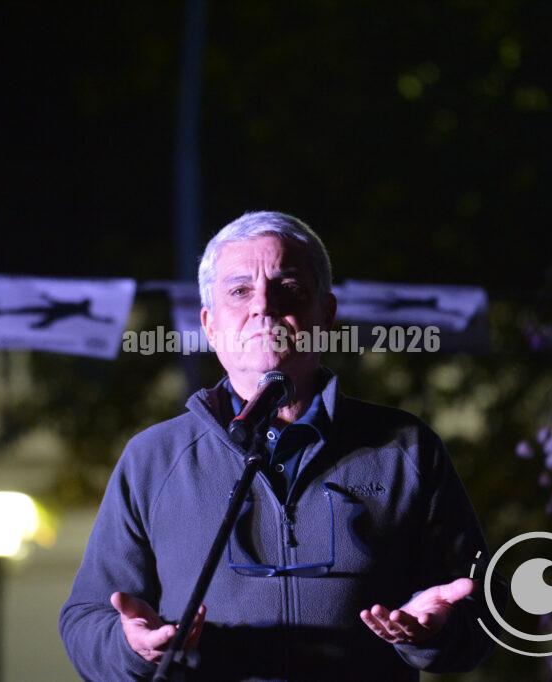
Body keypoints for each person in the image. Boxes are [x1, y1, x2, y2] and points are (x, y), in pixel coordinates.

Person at [60, 212, 498, 680]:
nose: (263, 307)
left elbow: (480, 615)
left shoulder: (406, 449)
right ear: (209, 324)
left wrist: (435, 633)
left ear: (325, 315)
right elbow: (85, 622)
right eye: (239, 291)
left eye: (288, 287)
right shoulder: (153, 459)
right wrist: (132, 646)